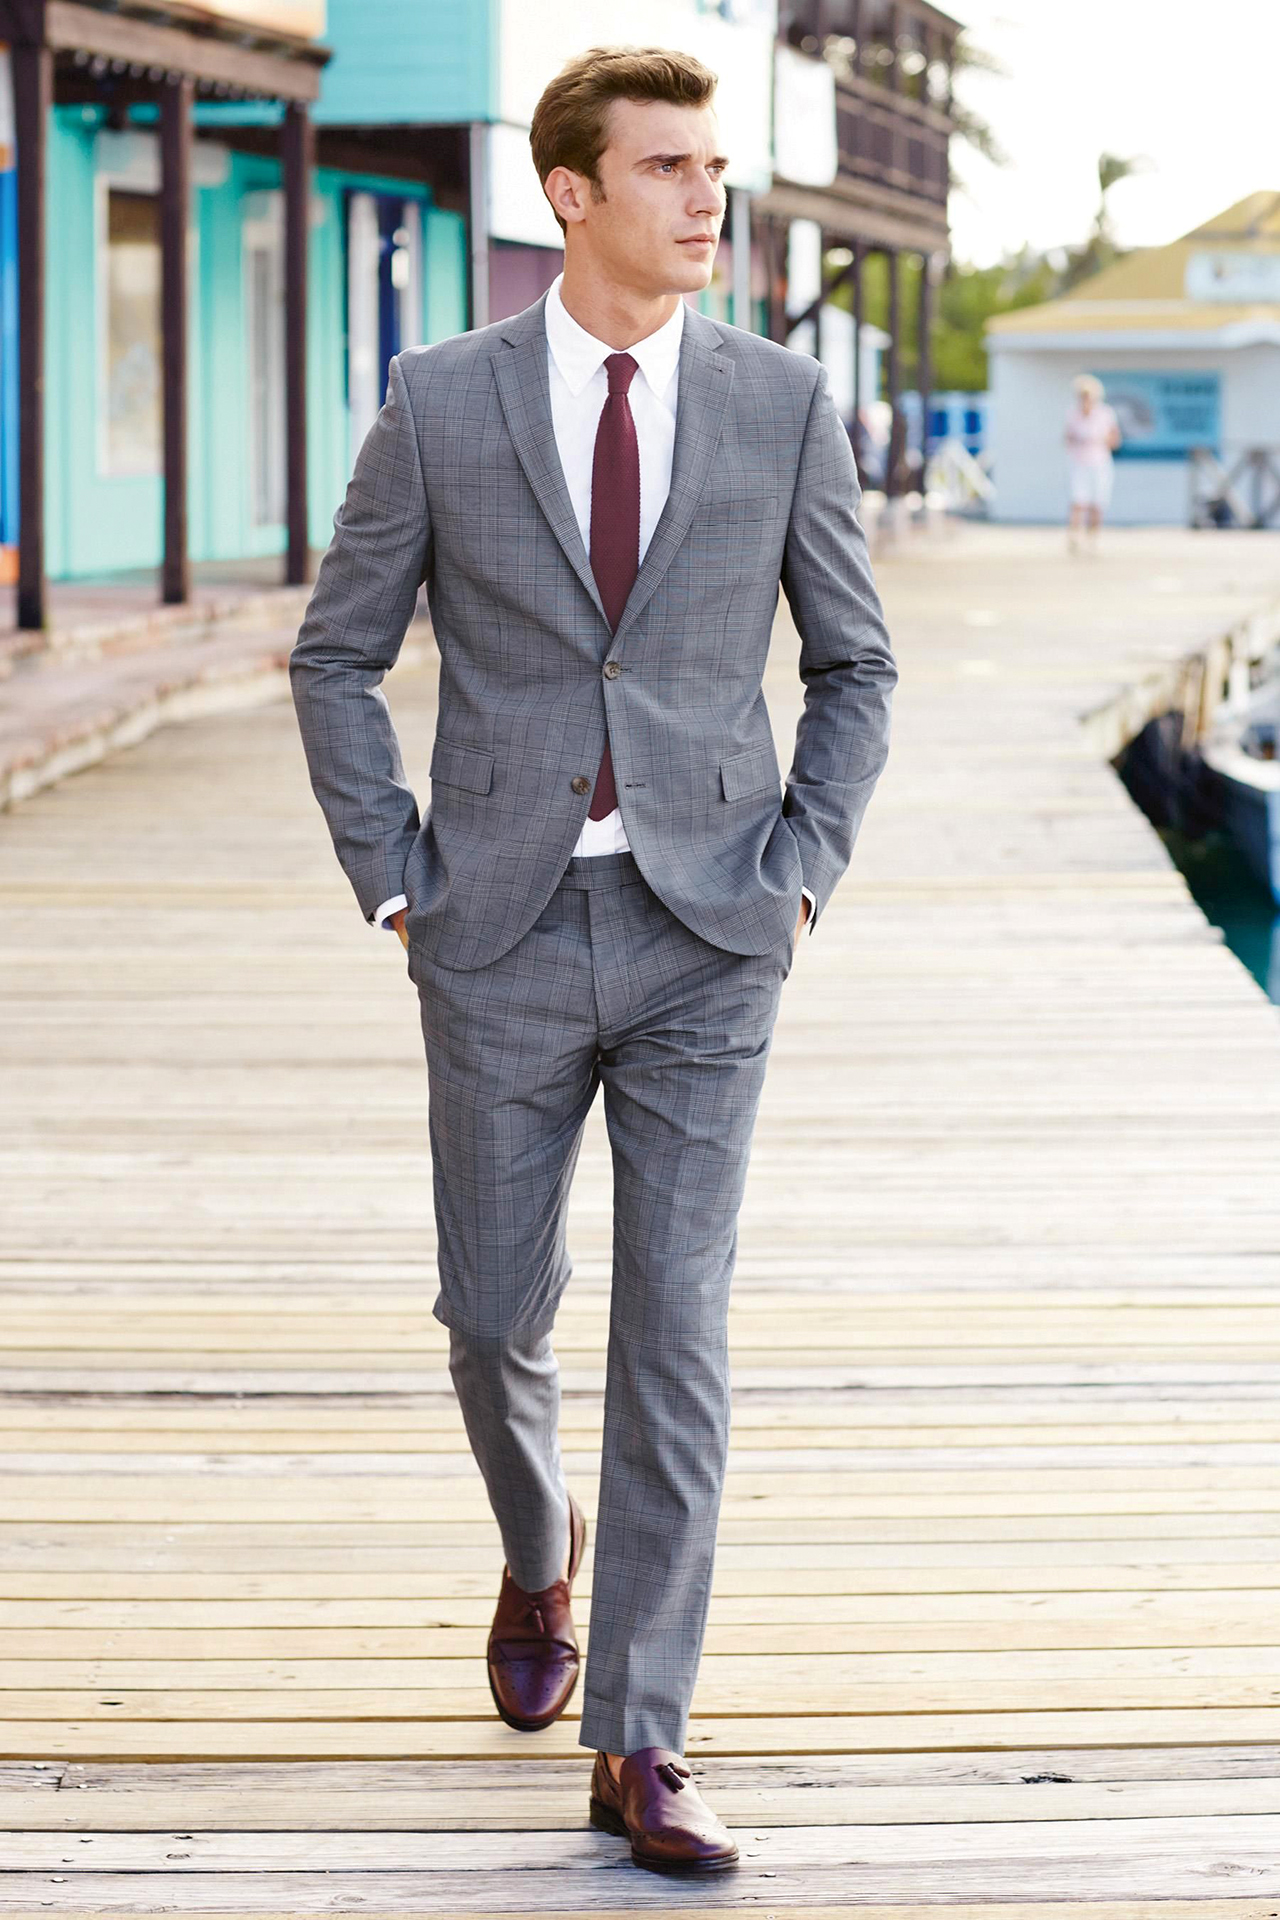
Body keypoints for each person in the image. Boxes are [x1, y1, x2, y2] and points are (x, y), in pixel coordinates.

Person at [290, 44, 896, 1877]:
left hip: (715, 926)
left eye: (718, 169)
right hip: (495, 924)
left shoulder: (784, 402)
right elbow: (336, 656)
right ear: (571, 193)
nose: (710, 200)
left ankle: (644, 1736)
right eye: (669, 169)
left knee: (677, 1329)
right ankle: (533, 1544)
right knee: (494, 1312)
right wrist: (396, 881)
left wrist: (800, 878)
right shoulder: (443, 398)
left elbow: (855, 669)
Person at [1065, 373, 1121, 552]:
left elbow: (1115, 440)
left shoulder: (1105, 413)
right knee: (1078, 501)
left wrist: (1100, 441)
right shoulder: (1073, 413)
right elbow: (1067, 437)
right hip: (1079, 462)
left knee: (1098, 503)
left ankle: (1093, 538)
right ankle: (1074, 536)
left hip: (1099, 463)